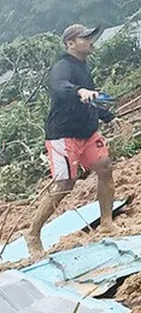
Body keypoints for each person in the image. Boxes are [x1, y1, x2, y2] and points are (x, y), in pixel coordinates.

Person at [25, 24, 121, 256]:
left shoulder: (83, 66)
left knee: (105, 167)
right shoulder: (62, 66)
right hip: (63, 134)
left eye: (91, 36)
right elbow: (60, 88)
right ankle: (32, 234)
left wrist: (107, 116)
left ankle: (106, 222)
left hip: (87, 132)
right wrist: (79, 91)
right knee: (66, 183)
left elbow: (88, 99)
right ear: (70, 44)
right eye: (85, 37)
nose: (91, 40)